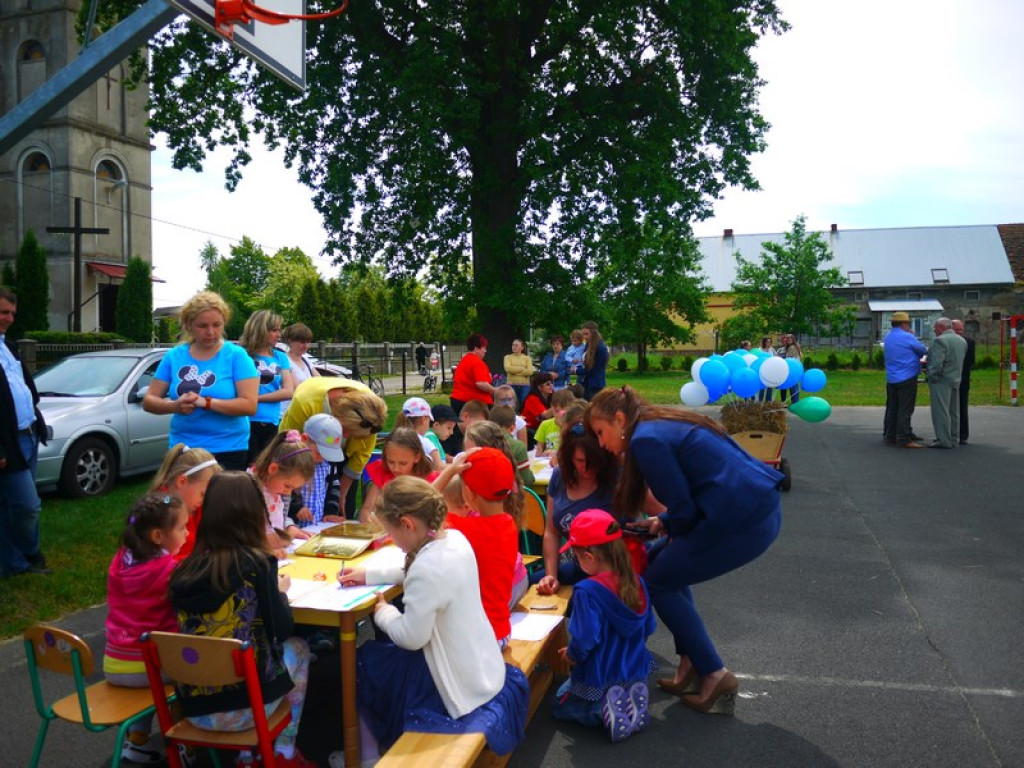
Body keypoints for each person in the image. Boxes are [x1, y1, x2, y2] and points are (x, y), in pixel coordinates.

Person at [585, 386, 783, 715]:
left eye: (601, 433)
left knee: (659, 579)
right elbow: (689, 499)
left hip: (743, 522)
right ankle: (690, 662)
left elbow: (685, 512)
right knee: (655, 562)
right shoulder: (655, 423)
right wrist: (664, 522)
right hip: (747, 509)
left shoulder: (644, 440)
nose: (602, 444)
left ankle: (714, 673)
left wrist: (670, 521)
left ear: (620, 420)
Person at [334, 476, 529, 765]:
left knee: (366, 660)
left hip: (448, 681)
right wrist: (369, 575)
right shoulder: (453, 540)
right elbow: (418, 572)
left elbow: (412, 637)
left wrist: (384, 612)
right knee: (381, 660)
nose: (394, 541)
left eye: (391, 532)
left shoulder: (426, 568)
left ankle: (366, 756)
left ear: (408, 524)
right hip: (478, 663)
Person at [170, 472, 314, 768]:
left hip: (195, 708)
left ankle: (246, 756)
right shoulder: (257, 565)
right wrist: (280, 593)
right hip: (249, 706)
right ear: (253, 513)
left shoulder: (183, 571)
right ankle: (284, 752)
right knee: (298, 647)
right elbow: (282, 628)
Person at [551, 509, 656, 743]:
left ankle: (600, 711)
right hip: (634, 667)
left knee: (559, 703)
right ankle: (629, 698)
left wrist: (572, 654)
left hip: (599, 673)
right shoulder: (636, 580)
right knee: (616, 684)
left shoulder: (586, 591)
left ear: (589, 556)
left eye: (576, 556)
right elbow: (649, 627)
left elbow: (585, 638)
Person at [103, 494, 189, 764]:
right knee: (189, 671)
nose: (187, 533)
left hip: (114, 663)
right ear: (157, 536)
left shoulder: (119, 562)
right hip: (149, 667)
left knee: (151, 666)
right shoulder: (170, 571)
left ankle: (137, 740)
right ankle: (184, 740)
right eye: (182, 528)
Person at [144, 291, 259, 471]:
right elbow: (149, 400)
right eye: (202, 326)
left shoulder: (237, 356)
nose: (210, 332)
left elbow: (249, 405)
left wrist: (205, 402)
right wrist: (174, 407)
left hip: (228, 448)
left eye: (217, 325)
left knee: (220, 499)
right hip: (183, 448)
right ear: (189, 325)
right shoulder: (174, 357)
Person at [434, 447, 525, 643]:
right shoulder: (508, 523)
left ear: (467, 493)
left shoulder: (463, 528)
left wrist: (449, 471)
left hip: (478, 640)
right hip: (500, 632)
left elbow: (418, 503)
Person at [536, 406, 617, 593]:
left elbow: (658, 512)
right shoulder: (559, 476)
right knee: (529, 585)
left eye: (593, 461)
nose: (587, 468)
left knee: (585, 597)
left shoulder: (616, 479)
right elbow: (552, 532)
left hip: (615, 573)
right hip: (580, 566)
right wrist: (551, 576)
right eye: (580, 461)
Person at [0, 286, 50, 577]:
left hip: (27, 434)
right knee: (27, 505)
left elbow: (22, 389)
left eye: (11, 313)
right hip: (8, 443)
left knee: (11, 507)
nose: (8, 318)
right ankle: (30, 553)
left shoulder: (9, 346)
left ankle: (14, 563)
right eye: (3, 312)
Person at [279, 375, 387, 507]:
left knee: (343, 505)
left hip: (341, 455)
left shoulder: (371, 414)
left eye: (353, 435)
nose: (345, 436)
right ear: (338, 414)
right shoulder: (305, 403)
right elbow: (289, 445)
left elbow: (361, 455)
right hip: (305, 450)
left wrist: (342, 493)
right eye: (345, 430)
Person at [239, 309, 295, 464]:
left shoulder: (280, 357)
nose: (279, 334)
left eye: (279, 330)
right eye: (274, 330)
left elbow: (288, 391)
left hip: (271, 423)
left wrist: (255, 398)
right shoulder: (242, 355)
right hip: (245, 422)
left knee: (266, 470)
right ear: (260, 330)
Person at [148, 444, 220, 561]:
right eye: (202, 494)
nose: (204, 500)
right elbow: (163, 566)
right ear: (182, 482)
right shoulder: (159, 515)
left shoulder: (193, 506)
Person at [250, 431, 317, 553]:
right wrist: (286, 537)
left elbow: (278, 518)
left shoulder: (276, 487)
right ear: (273, 469)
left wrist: (290, 526)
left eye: (293, 489)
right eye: (288, 486)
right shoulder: (249, 491)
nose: (288, 493)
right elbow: (250, 538)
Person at [360, 427, 440, 522]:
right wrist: (368, 519)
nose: (396, 469)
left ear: (417, 457)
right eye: (391, 462)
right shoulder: (383, 473)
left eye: (403, 463)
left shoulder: (430, 480)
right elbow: (366, 510)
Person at [287, 414, 345, 528]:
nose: (323, 457)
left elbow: (334, 486)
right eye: (319, 452)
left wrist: (330, 512)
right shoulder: (292, 462)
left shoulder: (328, 463)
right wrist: (296, 508)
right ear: (304, 439)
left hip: (317, 525)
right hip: (292, 527)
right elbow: (285, 488)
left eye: (328, 453)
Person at [882, 312, 928, 449]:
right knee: (905, 409)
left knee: (892, 407)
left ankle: (890, 435)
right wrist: (912, 336)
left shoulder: (888, 336)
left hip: (892, 378)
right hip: (907, 377)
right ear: (904, 324)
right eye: (908, 323)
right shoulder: (908, 337)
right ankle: (904, 438)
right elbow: (922, 351)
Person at [926, 317, 968, 450]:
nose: (934, 330)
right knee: (954, 411)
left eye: (935, 328)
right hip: (955, 378)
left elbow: (937, 363)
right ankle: (953, 438)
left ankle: (943, 440)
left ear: (941, 327)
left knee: (941, 411)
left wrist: (931, 375)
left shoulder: (940, 341)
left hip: (941, 380)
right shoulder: (962, 341)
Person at [478, 410, 534, 489]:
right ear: (513, 427)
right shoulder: (518, 446)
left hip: (485, 493)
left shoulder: (480, 443)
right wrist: (531, 476)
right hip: (511, 495)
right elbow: (526, 481)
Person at [280, 323, 320, 417]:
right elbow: (299, 387)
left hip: (304, 410)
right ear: (290, 341)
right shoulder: (285, 360)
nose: (306, 346)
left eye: (308, 342)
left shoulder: (306, 359)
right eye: (302, 342)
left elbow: (319, 380)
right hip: (288, 413)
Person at [450, 333, 495, 415]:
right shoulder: (477, 362)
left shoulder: (464, 360)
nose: (485, 351)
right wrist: (495, 391)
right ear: (476, 349)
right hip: (474, 404)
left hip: (458, 400)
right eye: (484, 348)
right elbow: (481, 383)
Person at [394, 397, 443, 470]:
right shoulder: (425, 442)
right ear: (423, 419)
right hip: (422, 480)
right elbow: (439, 467)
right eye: (429, 420)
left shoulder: (395, 439)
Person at [951, 319, 976, 445]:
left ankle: (963, 434)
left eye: (961, 330)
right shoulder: (947, 341)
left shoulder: (969, 342)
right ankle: (950, 433)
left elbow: (970, 361)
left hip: (963, 379)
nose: (959, 332)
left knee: (962, 406)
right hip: (950, 379)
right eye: (957, 330)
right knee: (949, 407)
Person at [534, 388, 577, 458]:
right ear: (551, 409)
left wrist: (557, 453)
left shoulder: (574, 427)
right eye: (557, 411)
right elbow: (539, 449)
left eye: (564, 413)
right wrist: (538, 452)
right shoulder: (545, 424)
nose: (559, 415)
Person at [521, 373, 554, 446]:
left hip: (541, 428)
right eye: (548, 384)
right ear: (539, 387)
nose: (551, 386)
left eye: (552, 383)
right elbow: (546, 415)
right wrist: (557, 404)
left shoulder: (551, 397)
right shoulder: (532, 399)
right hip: (530, 430)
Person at [579, 322, 609, 401]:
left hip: (595, 386)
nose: (584, 337)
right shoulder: (588, 344)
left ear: (593, 333)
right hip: (586, 383)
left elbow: (592, 368)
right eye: (583, 334)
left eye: (586, 334)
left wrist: (576, 370)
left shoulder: (600, 348)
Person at [503, 339, 534, 406]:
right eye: (513, 345)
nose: (514, 347)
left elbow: (530, 372)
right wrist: (522, 368)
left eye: (516, 345)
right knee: (510, 404)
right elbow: (508, 369)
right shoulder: (507, 357)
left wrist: (514, 371)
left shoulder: (527, 358)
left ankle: (523, 416)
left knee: (524, 404)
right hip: (511, 385)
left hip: (525, 386)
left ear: (522, 347)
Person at [779, 333, 803, 404]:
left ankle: (795, 402)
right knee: (793, 386)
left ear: (793, 339)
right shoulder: (794, 347)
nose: (788, 340)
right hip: (795, 369)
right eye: (787, 339)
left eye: (790, 338)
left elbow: (790, 359)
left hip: (792, 369)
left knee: (793, 387)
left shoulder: (792, 347)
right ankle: (794, 402)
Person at [756, 336, 777, 403]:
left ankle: (768, 400)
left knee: (769, 385)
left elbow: (775, 357)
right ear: (764, 342)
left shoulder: (772, 349)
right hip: (762, 369)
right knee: (762, 385)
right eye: (767, 342)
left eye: (770, 342)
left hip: (770, 370)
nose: (769, 343)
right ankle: (760, 400)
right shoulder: (760, 349)